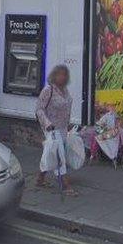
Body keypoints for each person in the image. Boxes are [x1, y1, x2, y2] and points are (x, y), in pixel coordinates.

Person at [35, 65, 77, 196]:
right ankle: (65, 185)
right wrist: (47, 124)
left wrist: (69, 123)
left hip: (63, 127)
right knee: (59, 155)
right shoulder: (48, 90)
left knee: (50, 153)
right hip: (51, 128)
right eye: (60, 74)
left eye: (65, 75)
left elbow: (66, 108)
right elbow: (39, 109)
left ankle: (40, 179)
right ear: (54, 76)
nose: (63, 77)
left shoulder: (65, 91)